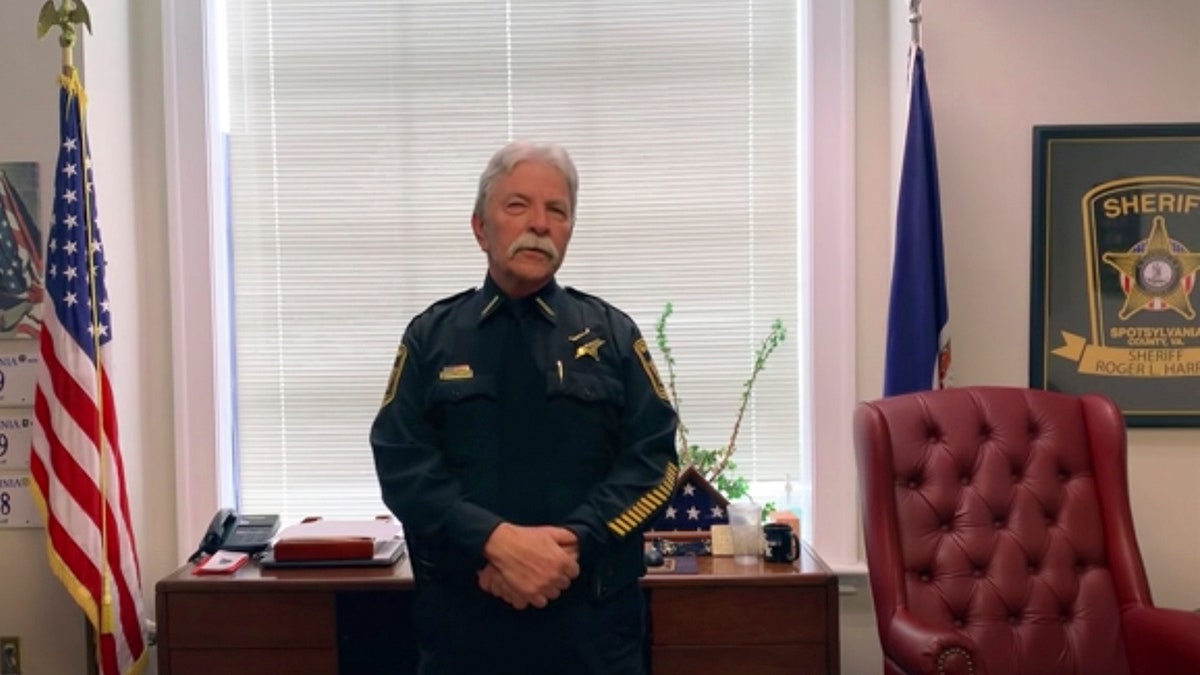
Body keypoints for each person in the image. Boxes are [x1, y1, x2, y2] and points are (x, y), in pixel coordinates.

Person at [370, 140, 679, 674]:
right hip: (466, 629)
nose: (539, 223)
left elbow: (654, 461)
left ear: (569, 230)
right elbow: (402, 464)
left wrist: (573, 544)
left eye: (556, 210)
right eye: (517, 205)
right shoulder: (431, 338)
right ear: (479, 228)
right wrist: (494, 542)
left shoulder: (613, 334)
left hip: (594, 631)